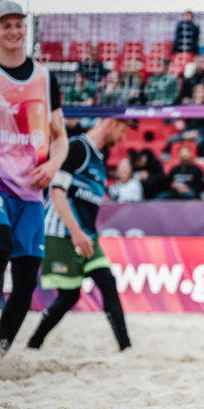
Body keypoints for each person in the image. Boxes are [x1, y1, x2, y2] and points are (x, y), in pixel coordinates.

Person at [0, 0, 69, 357]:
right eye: (6, 25)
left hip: (31, 188)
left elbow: (60, 137)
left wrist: (53, 165)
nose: (14, 31)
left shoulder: (45, 78)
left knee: (27, 279)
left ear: (25, 28)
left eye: (19, 24)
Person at [28, 118, 132, 351]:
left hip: (87, 235)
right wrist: (75, 231)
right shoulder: (77, 148)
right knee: (69, 296)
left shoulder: (98, 157)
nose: (122, 138)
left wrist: (82, 232)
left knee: (107, 282)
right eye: (123, 131)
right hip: (61, 233)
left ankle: (126, 348)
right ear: (110, 123)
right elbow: (56, 193)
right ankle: (34, 343)